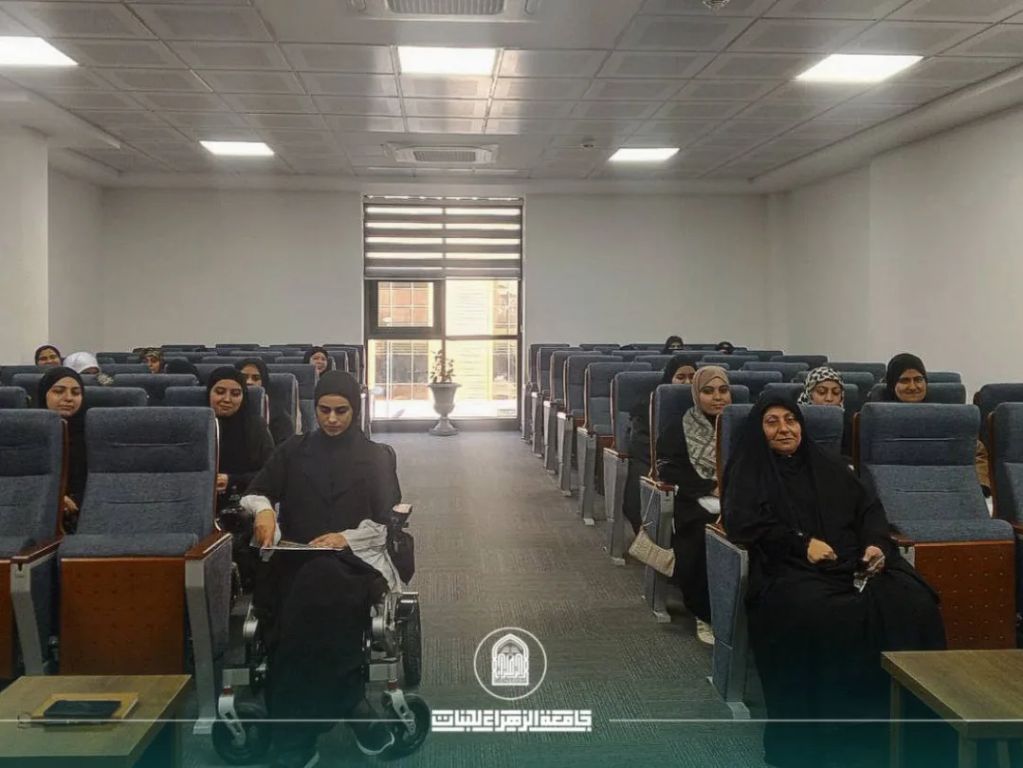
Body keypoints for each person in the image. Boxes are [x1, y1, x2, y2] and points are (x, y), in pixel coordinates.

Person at [721, 392, 945, 768]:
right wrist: (801, 544)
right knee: (826, 614)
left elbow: (870, 510)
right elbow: (744, 524)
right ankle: (835, 740)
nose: (784, 429)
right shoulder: (748, 470)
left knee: (913, 602)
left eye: (791, 420)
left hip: (853, 561)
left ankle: (909, 731)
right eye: (771, 422)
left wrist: (875, 545)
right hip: (789, 568)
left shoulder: (829, 464)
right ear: (758, 431)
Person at [241, 371, 402, 766]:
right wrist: (263, 511)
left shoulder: (376, 456)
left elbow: (387, 521)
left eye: (341, 411)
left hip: (354, 561)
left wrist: (344, 538)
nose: (331, 419)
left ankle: (294, 737)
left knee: (316, 590)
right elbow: (257, 491)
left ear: (355, 410)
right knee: (310, 587)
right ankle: (351, 704)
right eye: (324, 410)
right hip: (294, 558)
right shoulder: (293, 450)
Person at [655, 365, 732, 645]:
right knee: (701, 534)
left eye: (723, 390)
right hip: (693, 499)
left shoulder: (741, 426)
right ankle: (704, 613)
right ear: (696, 395)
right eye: (708, 391)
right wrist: (708, 486)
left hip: (736, 497)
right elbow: (667, 469)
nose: (717, 397)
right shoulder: (679, 427)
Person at [875, 353, 990, 492]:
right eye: (904, 381)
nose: (913, 387)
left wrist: (978, 488)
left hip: (946, 488)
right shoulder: (880, 420)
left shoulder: (943, 416)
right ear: (892, 384)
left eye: (918, 379)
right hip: (898, 489)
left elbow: (977, 452)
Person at [623, 356, 697, 534]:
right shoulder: (649, 406)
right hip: (654, 460)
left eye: (693, 377)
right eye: (681, 377)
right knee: (642, 473)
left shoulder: (704, 404)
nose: (688, 383)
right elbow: (640, 444)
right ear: (669, 378)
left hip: (694, 466)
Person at [37, 367, 86, 533]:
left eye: (76, 393)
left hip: (85, 517)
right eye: (59, 391)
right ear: (44, 394)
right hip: (36, 514)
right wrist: (56, 498)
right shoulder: (27, 435)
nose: (68, 398)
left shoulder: (94, 434)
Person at [236, 357, 296, 445]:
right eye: (244, 377)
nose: (249, 382)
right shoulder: (227, 406)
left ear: (264, 381)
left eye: (256, 378)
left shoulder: (278, 414)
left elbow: (286, 449)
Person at [798, 366, 850, 457]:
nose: (829, 398)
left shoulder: (848, 423)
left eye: (836, 392)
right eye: (821, 392)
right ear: (809, 395)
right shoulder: (795, 419)